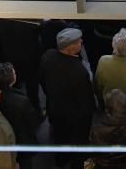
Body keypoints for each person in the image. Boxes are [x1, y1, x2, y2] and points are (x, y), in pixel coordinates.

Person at [39, 28, 95, 166]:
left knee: (59, 139)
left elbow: (42, 81)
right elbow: (86, 103)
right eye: (77, 41)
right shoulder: (79, 72)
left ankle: (61, 160)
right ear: (70, 49)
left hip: (55, 111)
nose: (81, 41)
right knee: (77, 147)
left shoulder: (47, 56)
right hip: (75, 119)